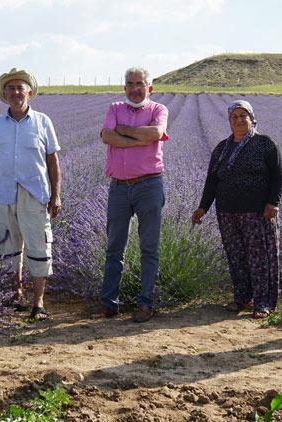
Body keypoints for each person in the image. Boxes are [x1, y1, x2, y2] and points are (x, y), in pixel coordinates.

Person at [0, 68, 62, 321]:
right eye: (11, 88)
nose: (16, 92)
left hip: (34, 193)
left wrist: (56, 195)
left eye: (20, 87)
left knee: (39, 247)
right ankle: (16, 295)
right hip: (3, 195)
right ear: (4, 94)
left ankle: (38, 302)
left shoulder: (43, 121)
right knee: (8, 248)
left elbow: (53, 161)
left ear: (29, 92)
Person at [192, 100, 282, 319]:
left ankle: (263, 303)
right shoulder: (222, 148)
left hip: (257, 212)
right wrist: (203, 207)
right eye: (234, 116)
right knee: (236, 257)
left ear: (252, 119)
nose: (239, 120)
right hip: (227, 211)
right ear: (229, 121)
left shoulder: (265, 144)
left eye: (244, 115)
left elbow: (277, 176)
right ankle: (242, 298)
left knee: (260, 258)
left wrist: (273, 203)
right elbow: (211, 180)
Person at [97, 66, 169, 323]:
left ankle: (146, 303)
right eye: (130, 84)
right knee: (115, 246)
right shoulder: (114, 108)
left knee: (149, 247)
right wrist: (139, 138)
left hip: (149, 185)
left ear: (150, 88)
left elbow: (156, 133)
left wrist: (123, 131)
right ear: (124, 87)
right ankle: (109, 302)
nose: (135, 88)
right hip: (118, 186)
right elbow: (107, 135)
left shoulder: (159, 110)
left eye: (140, 84)